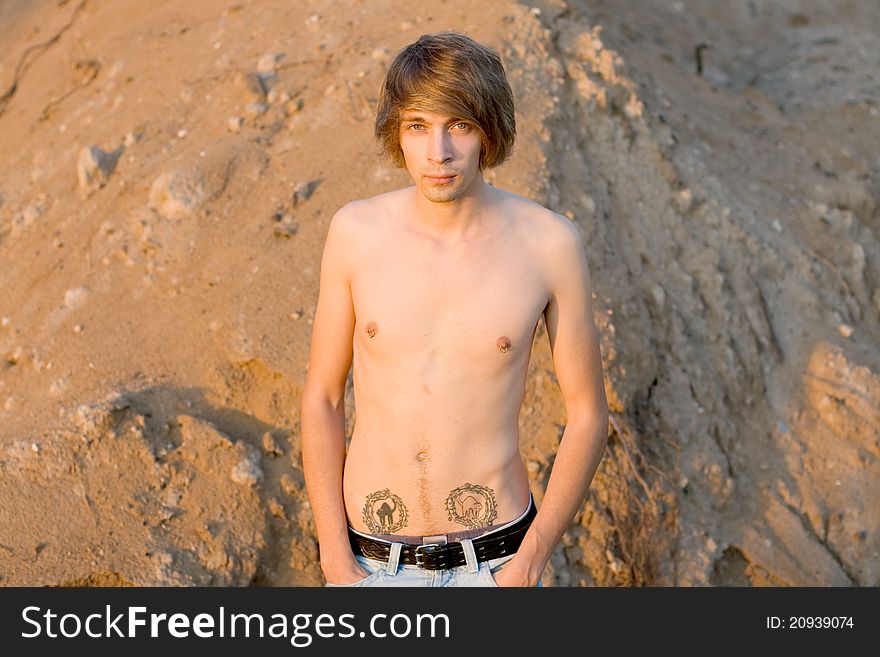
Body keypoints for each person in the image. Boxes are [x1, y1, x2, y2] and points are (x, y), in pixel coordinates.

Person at [301, 31, 609, 587]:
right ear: (398, 133)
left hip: (495, 564)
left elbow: (588, 413)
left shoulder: (549, 244)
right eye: (418, 126)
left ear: (489, 132)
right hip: (370, 564)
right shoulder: (355, 233)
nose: (438, 152)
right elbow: (322, 397)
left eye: (459, 126)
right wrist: (334, 559)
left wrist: (531, 560)